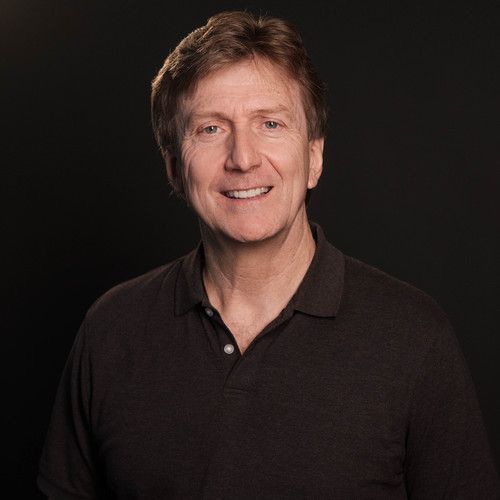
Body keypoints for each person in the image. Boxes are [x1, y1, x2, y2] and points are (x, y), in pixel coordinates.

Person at [38, 10, 499, 499]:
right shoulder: (112, 330)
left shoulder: (413, 337)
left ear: (314, 157)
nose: (243, 158)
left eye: (271, 123)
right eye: (211, 129)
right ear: (174, 168)